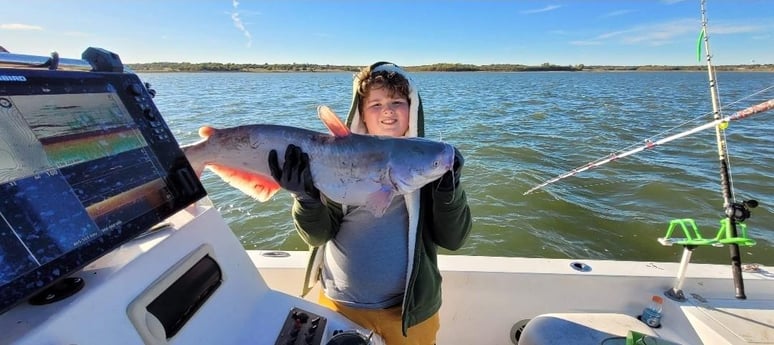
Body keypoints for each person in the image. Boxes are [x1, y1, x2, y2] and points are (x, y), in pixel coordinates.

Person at [268, 61, 472, 344]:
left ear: (412, 109)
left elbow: (454, 239)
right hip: (340, 305)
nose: (387, 110)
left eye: (397, 102)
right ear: (361, 113)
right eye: (376, 104)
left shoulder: (430, 166)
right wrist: (305, 198)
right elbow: (318, 236)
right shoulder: (335, 163)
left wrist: (448, 191)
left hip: (409, 315)